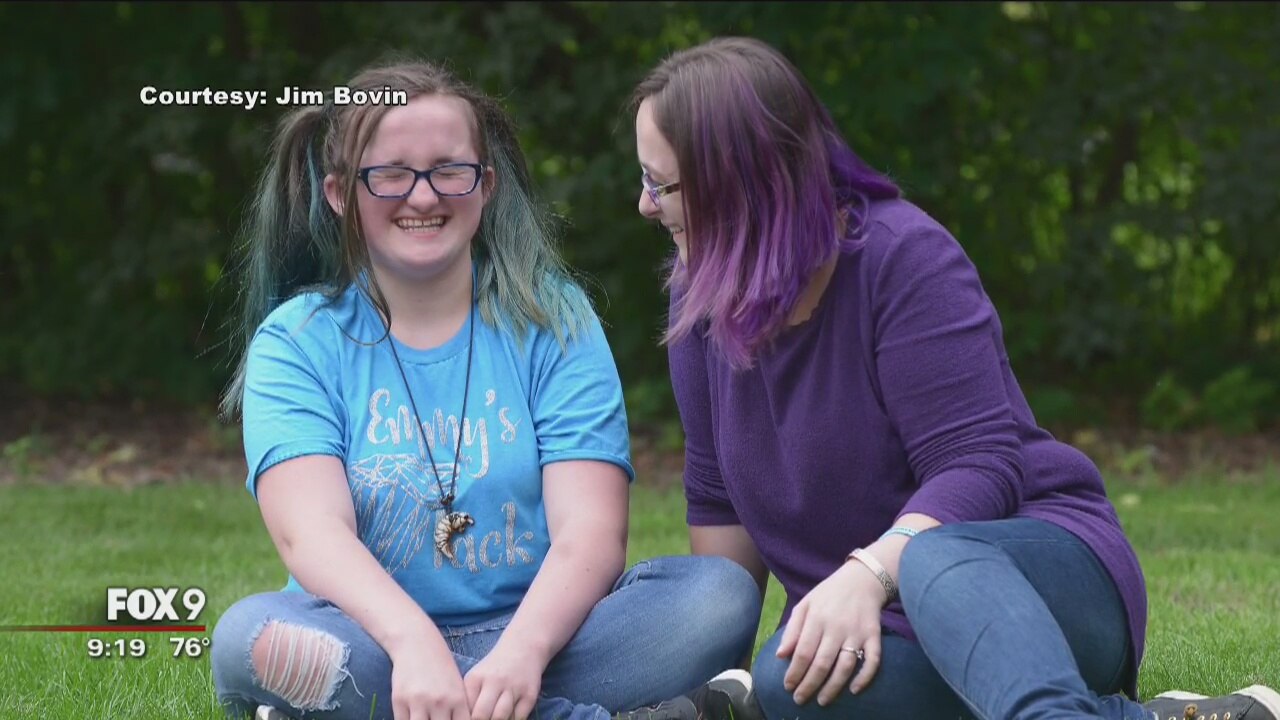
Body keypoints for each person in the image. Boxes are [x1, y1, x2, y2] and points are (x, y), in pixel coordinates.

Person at [624, 36, 1280, 720]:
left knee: (932, 560)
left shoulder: (903, 259)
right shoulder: (699, 298)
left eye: (658, 183)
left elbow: (978, 464)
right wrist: (730, 679)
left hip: (1029, 575)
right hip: (886, 621)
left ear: (740, 182)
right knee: (789, 683)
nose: (643, 204)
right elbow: (718, 501)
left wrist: (872, 572)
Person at [211, 58, 762, 720]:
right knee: (249, 638)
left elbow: (591, 533)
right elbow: (313, 536)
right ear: (338, 193)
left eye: (449, 170)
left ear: (486, 184)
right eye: (390, 174)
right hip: (371, 639)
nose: (423, 197)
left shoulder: (554, 319)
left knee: (718, 595)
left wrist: (522, 654)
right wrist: (413, 643)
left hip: (542, 641)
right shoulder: (297, 340)